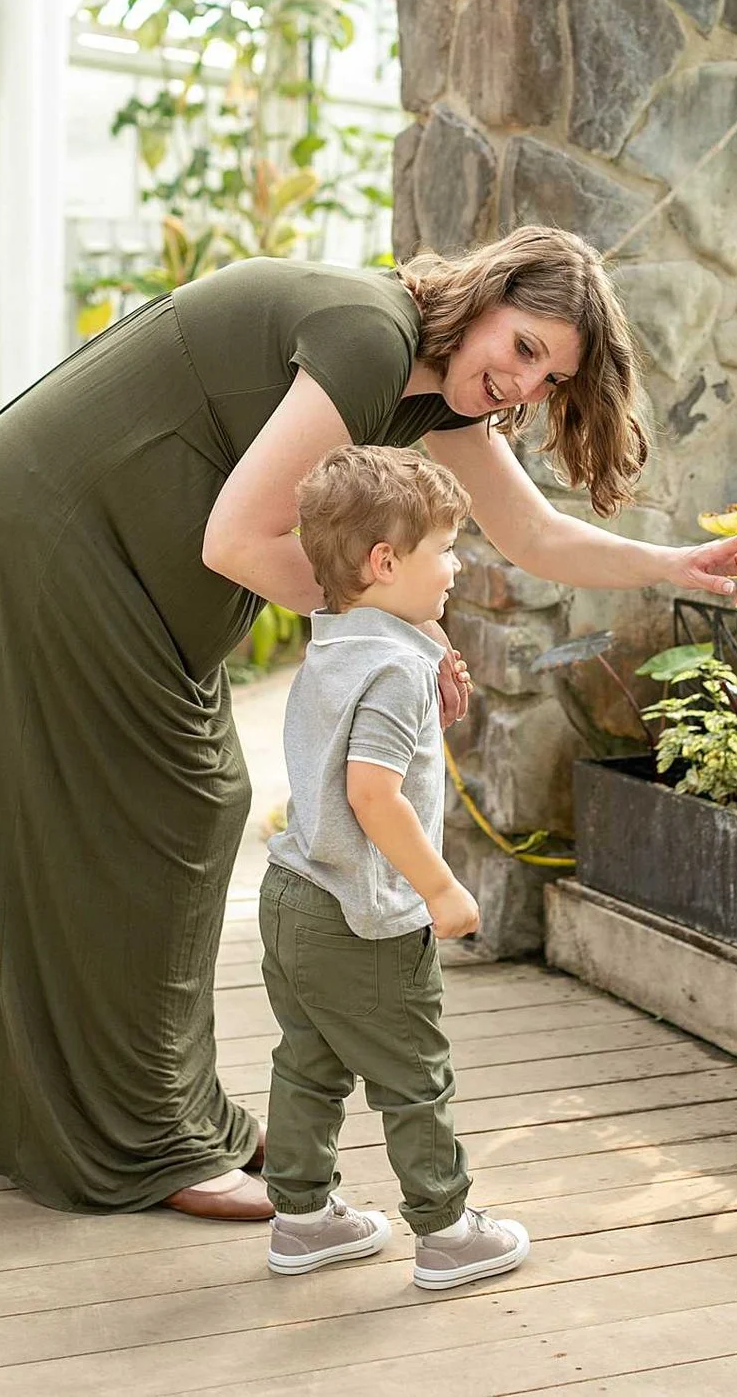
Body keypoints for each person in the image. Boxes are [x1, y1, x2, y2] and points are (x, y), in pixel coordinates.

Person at [0, 226, 737, 1220]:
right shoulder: (370, 339)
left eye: (550, 379)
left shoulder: (434, 387)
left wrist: (674, 565)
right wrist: (404, 638)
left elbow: (531, 533)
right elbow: (239, 539)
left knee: (145, 811)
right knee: (180, 807)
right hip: (55, 530)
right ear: (484, 298)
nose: (524, 384)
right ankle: (148, 1137)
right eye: (524, 347)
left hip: (90, 544)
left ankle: (132, 1110)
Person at [259, 445, 530, 1288]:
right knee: (416, 1076)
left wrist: (426, 699)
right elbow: (373, 794)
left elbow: (354, 764)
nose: (457, 565)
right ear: (385, 562)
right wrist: (440, 889)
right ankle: (447, 1232)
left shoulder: (336, 641)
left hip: (294, 892)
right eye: (445, 548)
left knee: (308, 1065)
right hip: (363, 917)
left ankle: (302, 1220)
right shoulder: (398, 668)